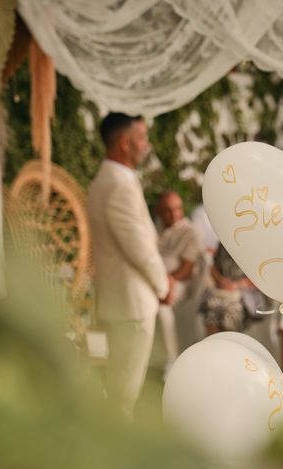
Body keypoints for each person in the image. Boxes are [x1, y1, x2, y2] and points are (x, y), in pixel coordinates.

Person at [87, 113, 173, 419]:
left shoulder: (108, 180)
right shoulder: (117, 185)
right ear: (125, 143)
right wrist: (164, 286)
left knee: (120, 387)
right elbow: (139, 249)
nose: (146, 145)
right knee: (125, 392)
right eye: (141, 138)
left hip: (120, 301)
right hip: (132, 303)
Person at [155, 191, 202, 373]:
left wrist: (167, 281)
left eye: (177, 209)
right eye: (168, 211)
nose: (174, 214)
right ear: (159, 211)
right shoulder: (156, 227)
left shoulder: (190, 231)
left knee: (162, 308)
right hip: (155, 280)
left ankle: (171, 359)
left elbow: (186, 269)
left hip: (180, 283)